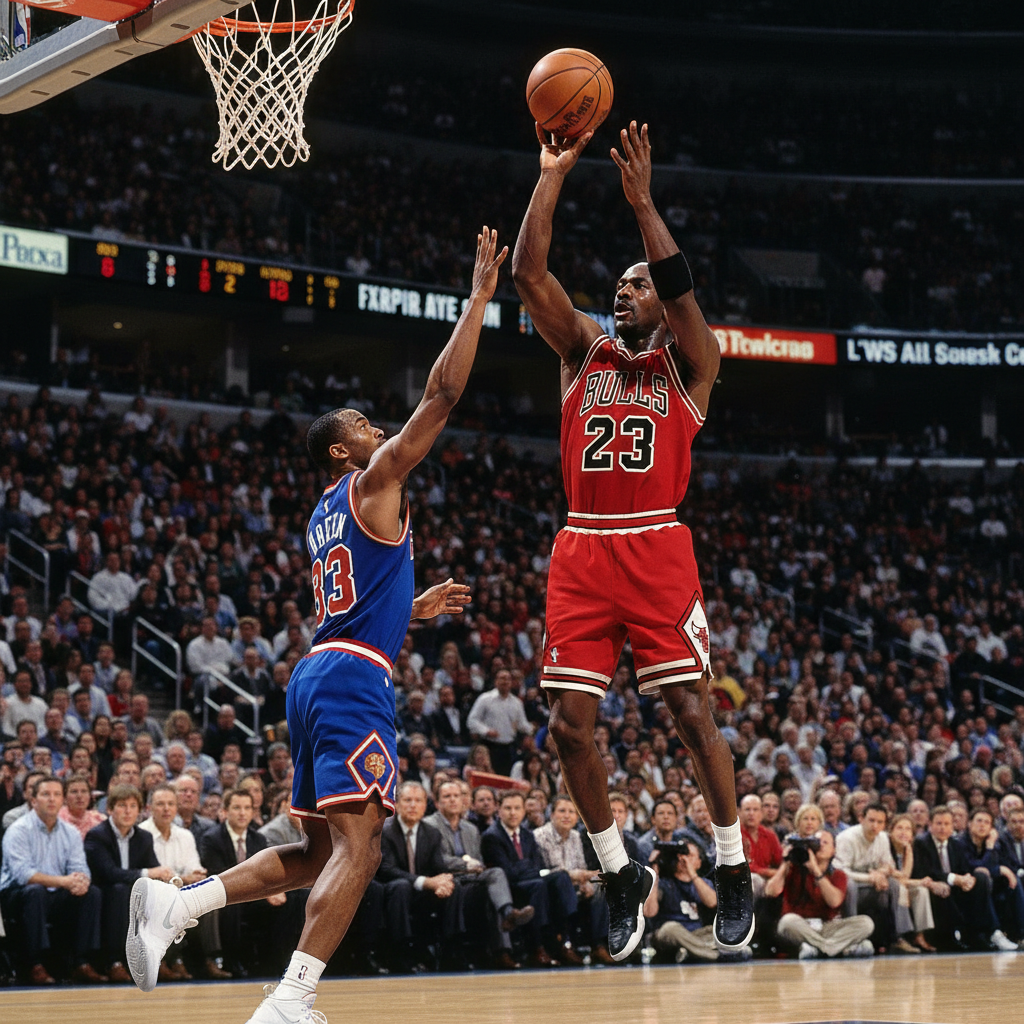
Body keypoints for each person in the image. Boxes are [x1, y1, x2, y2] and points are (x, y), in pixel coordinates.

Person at [126, 227, 505, 1023]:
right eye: (363, 424)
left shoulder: (322, 514)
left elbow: (355, 593)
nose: (378, 429)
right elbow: (442, 396)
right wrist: (477, 299)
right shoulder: (371, 482)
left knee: (318, 851)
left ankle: (180, 905)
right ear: (341, 451)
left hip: (320, 670)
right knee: (363, 847)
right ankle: (290, 999)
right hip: (352, 677)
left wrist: (411, 605)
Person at [512, 118, 751, 961]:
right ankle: (618, 871)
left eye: (637, 285)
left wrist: (644, 204)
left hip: (655, 545)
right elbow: (528, 273)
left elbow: (682, 293)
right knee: (568, 728)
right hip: (583, 547)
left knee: (690, 710)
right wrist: (552, 174)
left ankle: (731, 863)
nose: (624, 291)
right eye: (617, 283)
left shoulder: (691, 365)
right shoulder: (581, 348)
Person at [0, 776, 106, 984]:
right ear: (33, 800)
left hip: (55, 893)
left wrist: (81, 882)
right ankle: (35, 964)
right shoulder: (18, 830)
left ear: (62, 800)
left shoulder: (70, 832)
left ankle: (81, 963)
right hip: (16, 895)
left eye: (57, 794)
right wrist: (65, 882)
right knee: (35, 891)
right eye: (46, 794)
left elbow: (80, 868)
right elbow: (25, 876)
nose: (52, 799)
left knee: (92, 893)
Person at [424, 778, 533, 969]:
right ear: (437, 802)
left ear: (463, 801)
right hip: (444, 880)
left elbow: (479, 862)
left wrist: (475, 866)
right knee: (470, 888)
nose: (453, 800)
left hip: (471, 880)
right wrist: (466, 863)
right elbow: (437, 860)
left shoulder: (471, 829)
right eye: (447, 796)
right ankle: (465, 951)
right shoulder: (429, 825)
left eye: (456, 796)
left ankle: (507, 920)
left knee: (496, 876)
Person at [481, 790, 581, 966]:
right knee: (538, 886)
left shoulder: (528, 835)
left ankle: (565, 939)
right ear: (499, 810)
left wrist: (525, 866)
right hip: (510, 887)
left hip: (531, 879)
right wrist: (527, 866)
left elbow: (537, 865)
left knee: (561, 877)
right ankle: (537, 948)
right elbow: (507, 871)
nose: (513, 813)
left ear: (523, 811)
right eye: (508, 808)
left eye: (517, 808)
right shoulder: (492, 836)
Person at [84, 784, 174, 982]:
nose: (128, 811)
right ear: (110, 809)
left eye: (133, 806)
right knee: (120, 890)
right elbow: (109, 873)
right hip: (104, 893)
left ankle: (162, 959)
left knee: (163, 893)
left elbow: (154, 868)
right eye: (122, 806)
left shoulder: (144, 837)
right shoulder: (97, 835)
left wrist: (164, 877)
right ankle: (114, 961)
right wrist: (148, 873)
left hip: (131, 891)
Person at [764, 828, 874, 959]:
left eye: (825, 842)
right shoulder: (795, 868)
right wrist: (785, 863)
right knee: (787, 922)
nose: (821, 845)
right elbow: (770, 891)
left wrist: (815, 870)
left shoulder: (838, 875)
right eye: (817, 842)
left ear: (833, 850)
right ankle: (839, 948)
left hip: (826, 926)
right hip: (800, 926)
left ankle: (819, 948)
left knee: (866, 923)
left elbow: (834, 902)